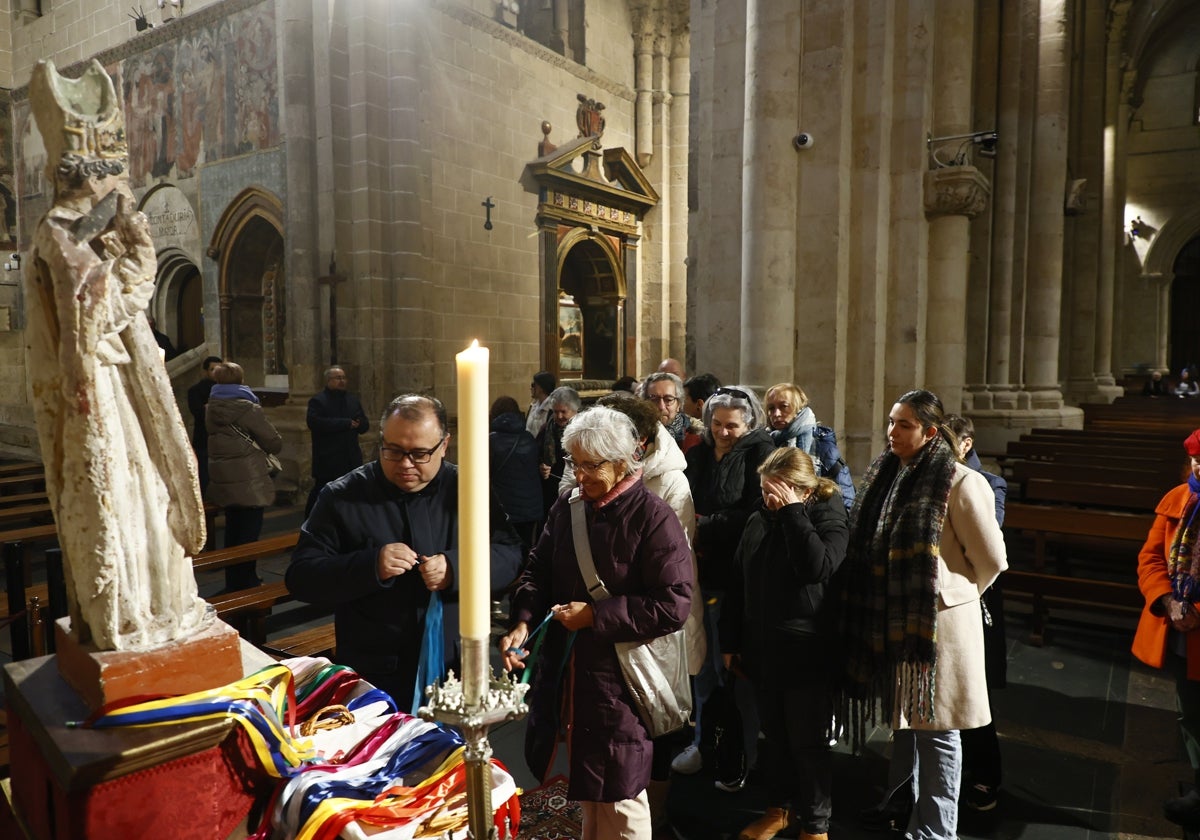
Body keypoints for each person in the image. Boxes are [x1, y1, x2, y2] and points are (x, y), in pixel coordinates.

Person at [23, 58, 207, 651]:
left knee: (153, 494)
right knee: (117, 504)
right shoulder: (57, 230)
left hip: (126, 386)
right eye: (102, 171)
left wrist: (134, 256)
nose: (112, 184)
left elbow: (125, 302)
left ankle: (166, 604)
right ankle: (129, 616)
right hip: (96, 395)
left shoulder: (94, 226)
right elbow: (89, 314)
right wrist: (132, 259)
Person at [500, 406, 693, 839]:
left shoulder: (653, 517)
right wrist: (523, 621)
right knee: (591, 790)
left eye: (592, 465)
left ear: (624, 461)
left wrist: (595, 615)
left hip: (623, 676)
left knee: (622, 797)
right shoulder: (568, 507)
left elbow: (674, 603)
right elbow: (538, 571)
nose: (580, 476)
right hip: (572, 673)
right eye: (574, 463)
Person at [840, 389, 1007, 840]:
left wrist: (949, 593)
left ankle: (937, 831)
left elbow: (991, 561)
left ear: (931, 432)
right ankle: (901, 806)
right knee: (908, 724)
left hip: (938, 625)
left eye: (904, 424)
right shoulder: (888, 474)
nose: (892, 432)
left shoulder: (960, 483)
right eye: (891, 422)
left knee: (938, 732)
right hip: (896, 617)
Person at [287, 394, 523, 708]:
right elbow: (301, 576)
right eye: (393, 451)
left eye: (420, 453)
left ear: (444, 445)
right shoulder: (342, 496)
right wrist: (371, 565)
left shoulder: (468, 488)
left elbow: (511, 554)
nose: (405, 464)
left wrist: (456, 567)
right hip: (375, 671)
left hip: (454, 665)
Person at [721, 447, 848, 840]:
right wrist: (730, 641)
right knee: (773, 738)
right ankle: (778, 810)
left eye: (776, 493)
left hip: (806, 650)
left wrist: (793, 514)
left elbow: (816, 568)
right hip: (762, 647)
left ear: (803, 491)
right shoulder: (760, 519)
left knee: (807, 744)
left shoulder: (831, 517)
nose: (767, 500)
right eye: (764, 491)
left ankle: (815, 825)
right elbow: (737, 582)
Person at [597, 392, 707, 833]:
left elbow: (672, 564)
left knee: (657, 721)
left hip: (651, 621)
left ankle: (654, 814)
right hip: (605, 618)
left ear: (637, 441)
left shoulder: (671, 481)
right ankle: (612, 809)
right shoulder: (588, 468)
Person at [674, 385, 775, 787]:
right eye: (716, 424)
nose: (723, 432)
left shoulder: (759, 453)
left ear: (748, 423)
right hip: (697, 571)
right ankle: (705, 742)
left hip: (737, 576)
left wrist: (705, 524)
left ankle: (742, 753)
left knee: (733, 668)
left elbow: (755, 512)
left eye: (731, 425)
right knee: (701, 666)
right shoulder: (697, 453)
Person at [1132, 428, 1200, 831]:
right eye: (1195, 460)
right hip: (1180, 625)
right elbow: (1151, 559)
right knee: (1190, 711)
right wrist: (1169, 601)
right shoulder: (1177, 499)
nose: (1199, 467)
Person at [206, 361, 283, 591]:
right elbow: (273, 442)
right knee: (249, 535)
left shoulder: (211, 408)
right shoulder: (248, 407)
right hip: (249, 479)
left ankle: (234, 582)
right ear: (240, 379)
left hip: (224, 479)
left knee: (232, 533)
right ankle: (248, 582)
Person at [764, 382, 856, 512]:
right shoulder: (764, 442)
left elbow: (846, 496)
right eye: (771, 408)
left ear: (799, 408)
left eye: (784, 406)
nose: (776, 414)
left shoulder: (822, 445)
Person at [305, 365, 370, 516]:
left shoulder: (352, 400)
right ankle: (311, 518)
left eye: (343, 378)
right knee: (322, 490)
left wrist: (360, 423)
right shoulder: (318, 401)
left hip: (350, 456)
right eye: (338, 378)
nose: (342, 381)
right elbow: (314, 422)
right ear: (328, 380)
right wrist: (345, 423)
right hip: (328, 456)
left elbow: (364, 424)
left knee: (351, 490)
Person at [489, 395, 543, 559]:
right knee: (526, 547)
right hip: (530, 506)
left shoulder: (489, 441)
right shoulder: (528, 438)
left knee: (503, 551)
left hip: (504, 507)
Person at [539, 386, 580, 515]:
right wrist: (542, 465)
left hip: (574, 488)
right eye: (555, 412)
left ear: (575, 410)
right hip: (550, 489)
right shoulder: (546, 428)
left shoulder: (583, 430)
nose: (559, 416)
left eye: (563, 411)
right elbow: (537, 453)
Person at [187, 354, 222, 493]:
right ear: (206, 371)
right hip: (204, 438)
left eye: (219, 369)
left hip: (222, 439)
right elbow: (198, 412)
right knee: (204, 475)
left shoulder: (226, 389)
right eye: (213, 369)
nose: (216, 373)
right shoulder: (195, 390)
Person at [645, 371, 702, 453]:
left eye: (668, 399)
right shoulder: (636, 438)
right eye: (654, 399)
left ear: (679, 404)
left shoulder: (694, 440)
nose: (661, 406)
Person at [527, 370, 557, 437]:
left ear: (540, 388)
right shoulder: (533, 406)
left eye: (533, 385)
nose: (531, 388)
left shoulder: (552, 409)